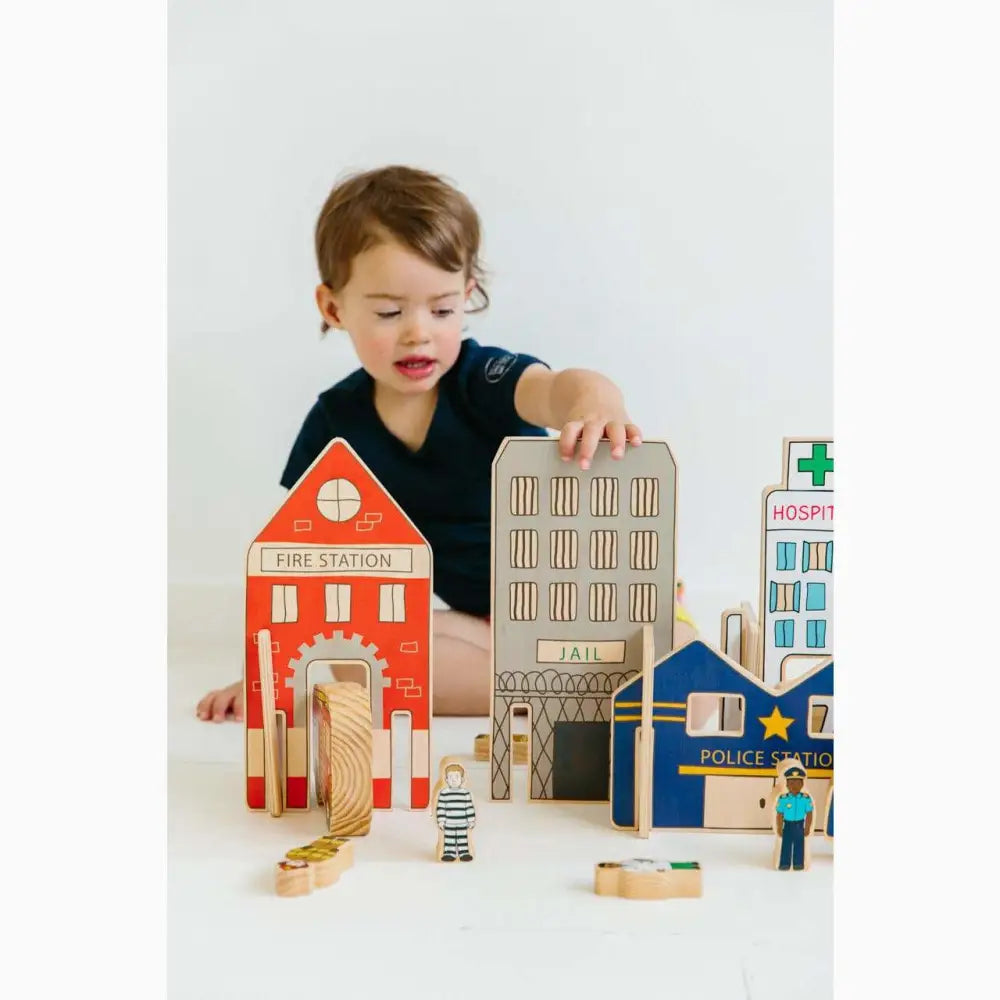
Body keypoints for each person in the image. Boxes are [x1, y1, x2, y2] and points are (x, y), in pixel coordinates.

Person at [197, 164, 643, 722]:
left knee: (384, 672)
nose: (418, 332)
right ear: (334, 308)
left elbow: (558, 390)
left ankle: (613, 674)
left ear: (467, 296)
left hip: (591, 609)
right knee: (359, 649)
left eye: (442, 309)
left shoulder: (481, 380)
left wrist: (596, 404)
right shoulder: (338, 421)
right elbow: (301, 562)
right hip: (489, 624)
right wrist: (271, 671)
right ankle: (568, 685)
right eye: (389, 312)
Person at [774, 765, 814, 871]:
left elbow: (809, 813)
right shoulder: (783, 799)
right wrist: (779, 827)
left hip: (800, 825)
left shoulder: (805, 798)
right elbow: (780, 814)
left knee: (799, 845)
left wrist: (807, 827)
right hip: (787, 825)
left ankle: (798, 864)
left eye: (797, 782)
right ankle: (784, 864)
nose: (794, 785)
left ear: (802, 784)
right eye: (791, 782)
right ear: (787, 784)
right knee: (786, 844)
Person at [434, 762, 476, 862]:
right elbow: (441, 808)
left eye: (456, 776)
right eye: (451, 777)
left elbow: (469, 807)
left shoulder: (466, 793)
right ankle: (449, 853)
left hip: (462, 822)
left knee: (462, 839)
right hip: (449, 823)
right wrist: (441, 820)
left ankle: (464, 853)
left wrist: (471, 821)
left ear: (462, 779)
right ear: (446, 780)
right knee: (449, 839)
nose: (453, 779)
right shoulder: (444, 793)